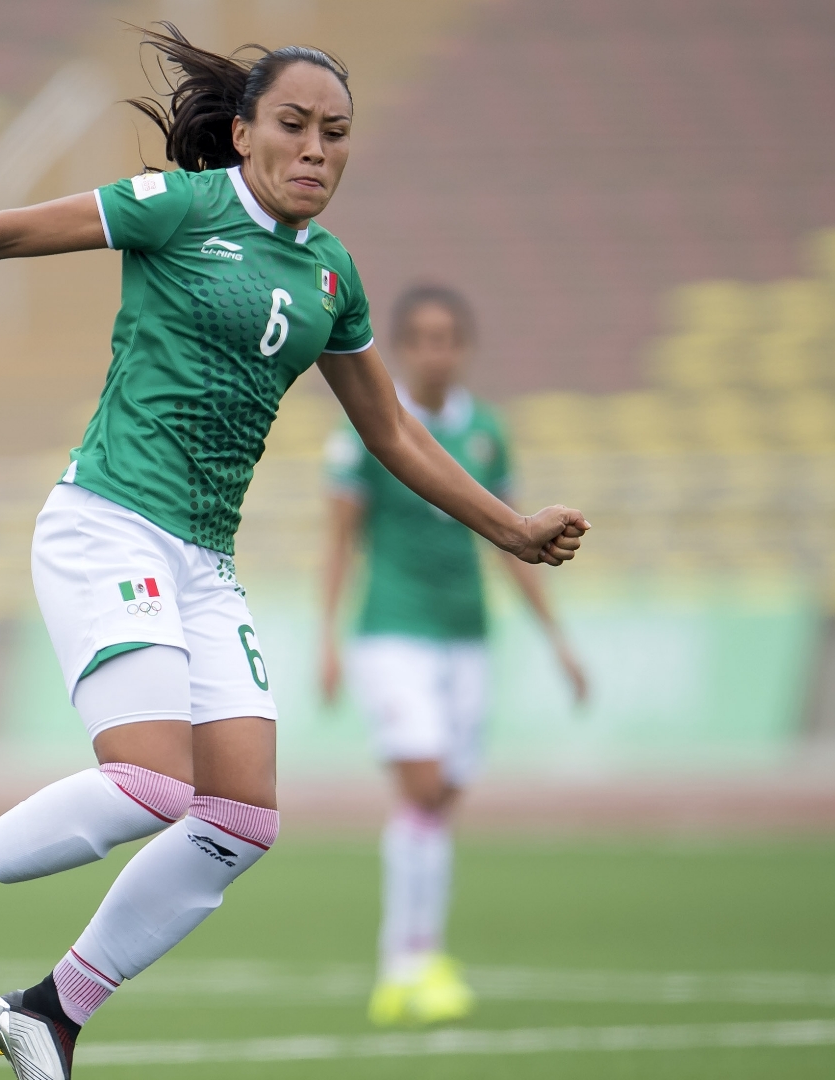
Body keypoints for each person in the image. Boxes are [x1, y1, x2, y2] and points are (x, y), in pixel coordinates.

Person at [0, 24, 589, 1080]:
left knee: (239, 819)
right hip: (107, 521)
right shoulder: (183, 210)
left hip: (201, 560)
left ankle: (50, 1011)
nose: (316, 151)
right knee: (151, 785)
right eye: (292, 126)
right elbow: (7, 232)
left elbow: (392, 435)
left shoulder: (333, 276)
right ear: (242, 133)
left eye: (336, 134)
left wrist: (508, 526)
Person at [319, 283, 588, 1027]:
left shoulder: (486, 432)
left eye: (449, 339)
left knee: (438, 803)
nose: (437, 352)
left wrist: (558, 641)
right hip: (392, 632)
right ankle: (407, 961)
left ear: (464, 348)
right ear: (402, 348)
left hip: (467, 635)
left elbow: (516, 544)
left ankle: (414, 958)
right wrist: (328, 640)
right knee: (424, 783)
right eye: (424, 339)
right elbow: (339, 538)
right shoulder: (370, 426)